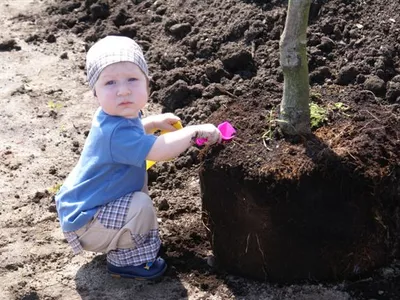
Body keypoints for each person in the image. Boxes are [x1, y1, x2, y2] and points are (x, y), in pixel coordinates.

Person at [55, 35, 221, 280]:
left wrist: (150, 123)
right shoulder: (116, 132)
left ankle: (121, 238)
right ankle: (127, 262)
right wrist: (192, 132)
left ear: (148, 85)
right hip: (87, 223)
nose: (123, 90)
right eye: (110, 83)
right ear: (95, 94)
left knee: (139, 204)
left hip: (85, 207)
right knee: (140, 206)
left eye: (132, 79)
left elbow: (129, 135)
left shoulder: (115, 118)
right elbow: (158, 151)